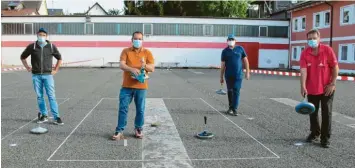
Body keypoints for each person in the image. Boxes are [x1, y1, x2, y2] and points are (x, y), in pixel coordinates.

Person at [112, 31, 155, 140]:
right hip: (127, 86)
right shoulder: (126, 51)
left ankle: (138, 128)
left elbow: (152, 68)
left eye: (140, 39)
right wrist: (131, 69)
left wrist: (144, 65)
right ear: (132, 40)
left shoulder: (147, 53)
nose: (137, 41)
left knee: (140, 109)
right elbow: (121, 64)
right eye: (136, 39)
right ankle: (119, 130)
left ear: (142, 40)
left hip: (141, 87)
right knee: (123, 108)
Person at [299, 29, 339, 148]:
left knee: (326, 113)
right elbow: (303, 70)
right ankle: (315, 133)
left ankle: (325, 138)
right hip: (312, 89)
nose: (312, 41)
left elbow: (335, 67)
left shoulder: (327, 50)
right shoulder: (305, 53)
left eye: (314, 38)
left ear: (319, 38)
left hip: (327, 88)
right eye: (309, 39)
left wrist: (333, 83)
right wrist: (303, 86)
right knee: (313, 112)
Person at [20, 28, 64, 125]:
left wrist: (56, 70)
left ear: (46, 36)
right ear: (37, 35)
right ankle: (44, 115)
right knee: (40, 96)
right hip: (36, 76)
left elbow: (59, 58)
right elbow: (22, 57)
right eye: (40, 35)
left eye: (43, 35)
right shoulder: (32, 47)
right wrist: (27, 67)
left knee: (51, 96)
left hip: (48, 75)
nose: (42, 36)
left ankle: (56, 117)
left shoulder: (51, 47)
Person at [220, 34, 250, 116]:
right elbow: (223, 65)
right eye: (229, 39)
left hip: (238, 75)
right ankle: (230, 107)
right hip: (228, 75)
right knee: (230, 91)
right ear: (227, 41)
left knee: (236, 91)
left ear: (235, 40)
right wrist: (221, 77)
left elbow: (246, 61)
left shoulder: (240, 49)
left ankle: (234, 109)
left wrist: (247, 72)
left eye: (232, 39)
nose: (231, 40)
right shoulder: (224, 51)